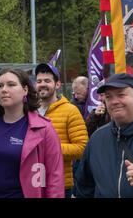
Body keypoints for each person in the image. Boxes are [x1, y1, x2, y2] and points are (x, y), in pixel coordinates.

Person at [0, 68, 64, 198]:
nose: (4, 89)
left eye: (11, 85)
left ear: (25, 90)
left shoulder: (44, 128)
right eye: (0, 86)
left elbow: (54, 177)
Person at [35, 63, 88, 197]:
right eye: (39, 81)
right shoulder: (29, 111)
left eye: (47, 81)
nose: (42, 84)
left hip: (59, 184)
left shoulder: (70, 111)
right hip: (31, 183)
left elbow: (82, 148)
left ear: (57, 84)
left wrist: (50, 148)